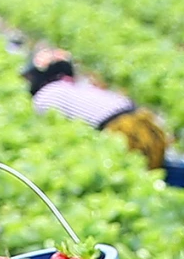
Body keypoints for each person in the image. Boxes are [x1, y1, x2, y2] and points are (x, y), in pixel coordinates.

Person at [23, 43, 171, 171]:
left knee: (132, 169)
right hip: (145, 124)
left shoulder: (46, 95)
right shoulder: (75, 87)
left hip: (123, 130)